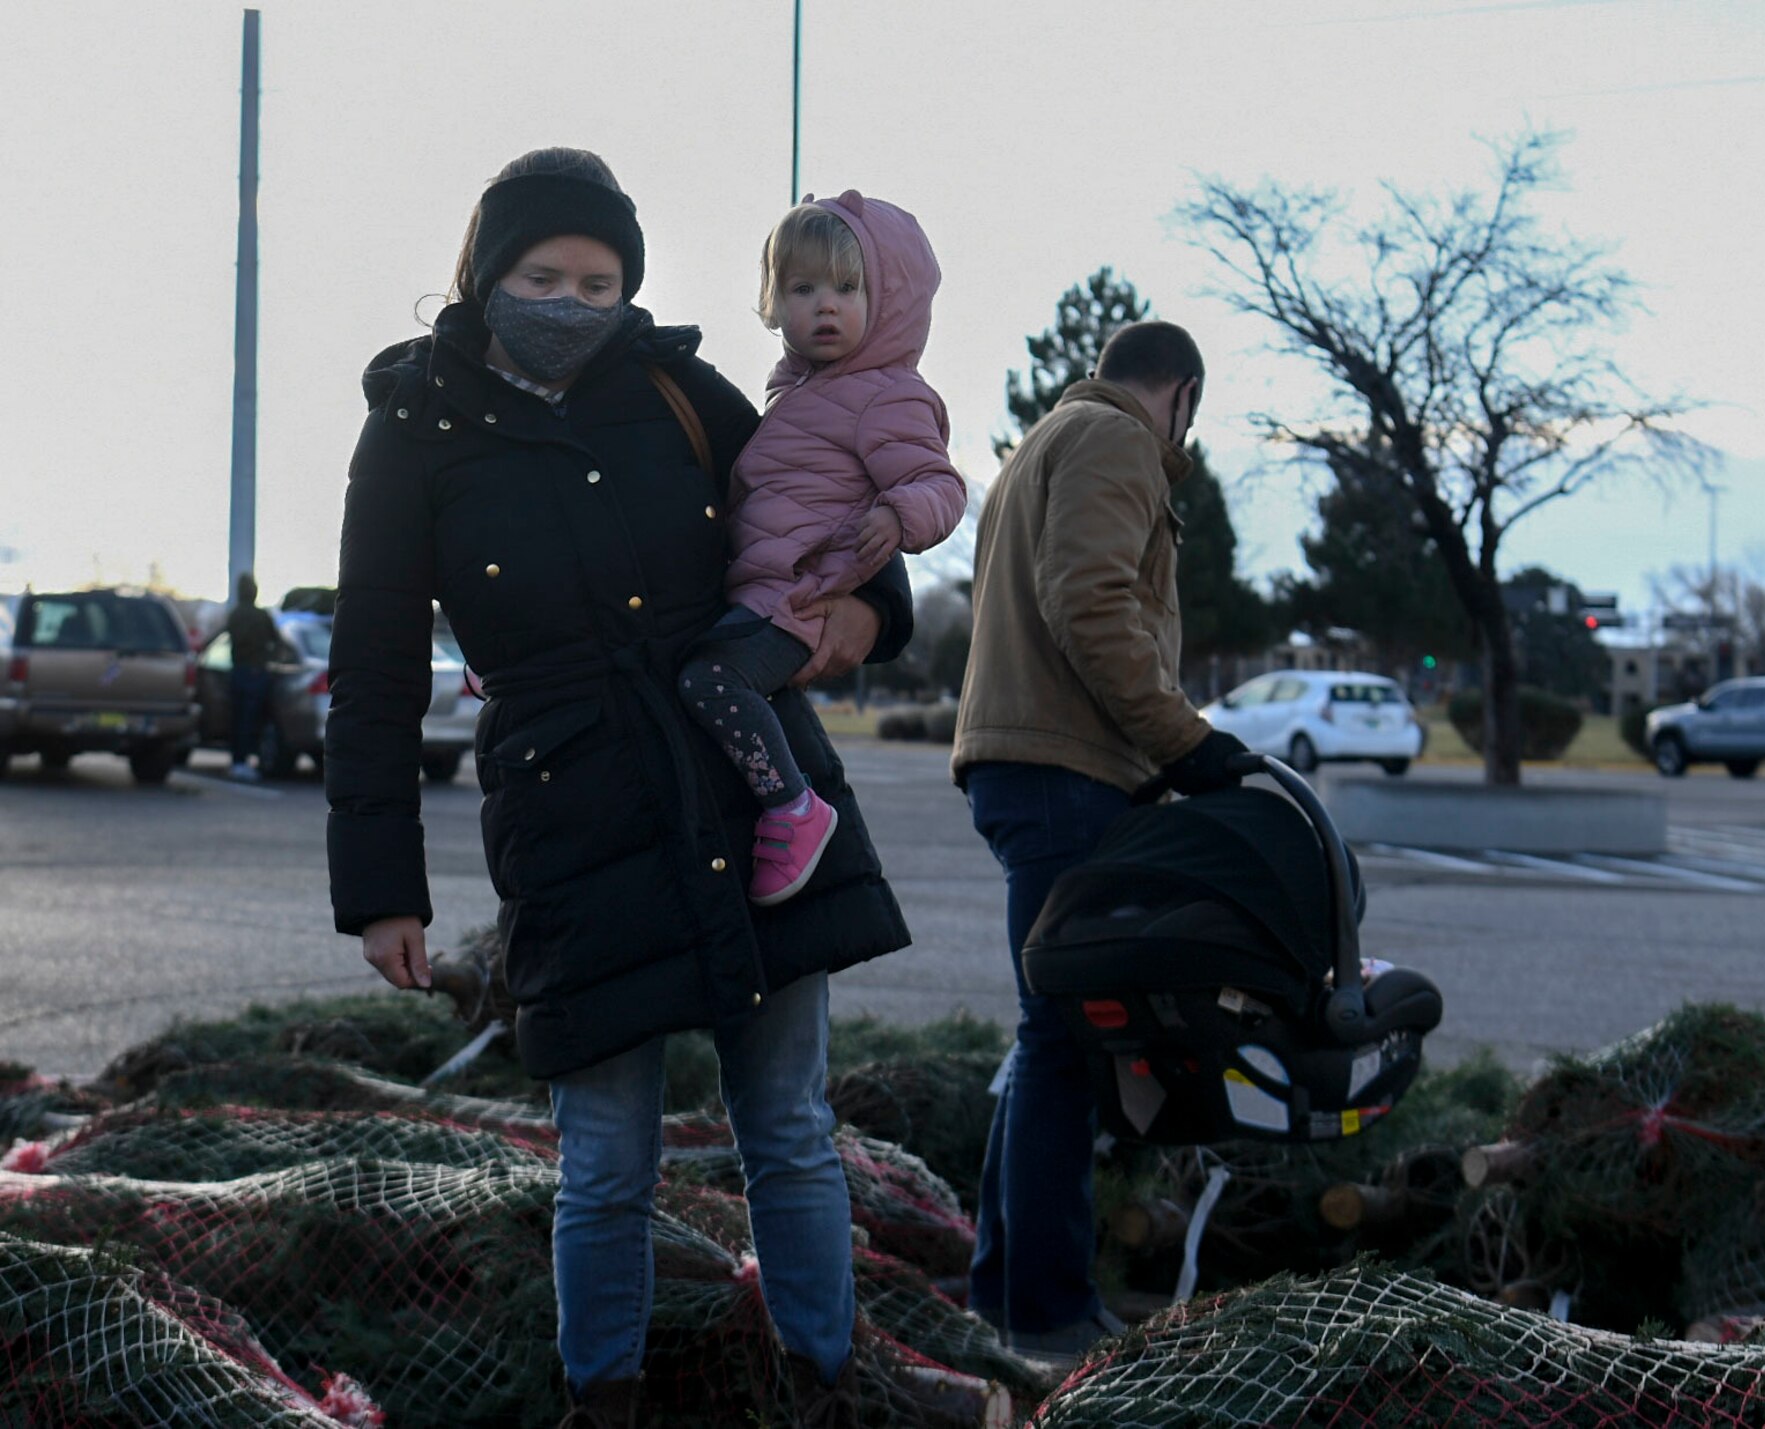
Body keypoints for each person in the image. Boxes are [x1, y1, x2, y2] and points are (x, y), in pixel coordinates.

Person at [324, 147, 916, 1429]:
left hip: (752, 797)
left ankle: (822, 1387)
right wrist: (379, 890)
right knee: (603, 1164)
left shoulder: (680, 390)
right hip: (569, 815)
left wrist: (860, 615)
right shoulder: (415, 428)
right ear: (484, 277)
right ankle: (607, 1403)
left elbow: (835, 528)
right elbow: (370, 666)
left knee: (790, 1130)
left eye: (599, 278)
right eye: (542, 274)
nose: (571, 300)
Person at [949, 320, 1249, 1361]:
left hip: (1026, 765)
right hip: (1065, 771)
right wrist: (1185, 742)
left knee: (1045, 1039)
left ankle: (1001, 1294)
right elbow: (1091, 601)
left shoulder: (1044, 437)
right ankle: (1047, 1311)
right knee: (1064, 1047)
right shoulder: (1117, 440)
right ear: (1181, 395)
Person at [678, 193, 964, 908]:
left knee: (711, 681)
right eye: (804, 289)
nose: (825, 306)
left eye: (847, 287)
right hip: (766, 589)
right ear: (777, 302)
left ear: (887, 300)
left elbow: (938, 481)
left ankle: (793, 809)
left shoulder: (886, 394)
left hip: (802, 597)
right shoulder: (797, 394)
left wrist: (901, 517)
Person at [224, 571, 281, 781]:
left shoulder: (235, 615)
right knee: (251, 720)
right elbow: (277, 641)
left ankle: (238, 761)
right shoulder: (261, 616)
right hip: (256, 673)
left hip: (238, 671)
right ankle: (246, 760)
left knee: (238, 719)